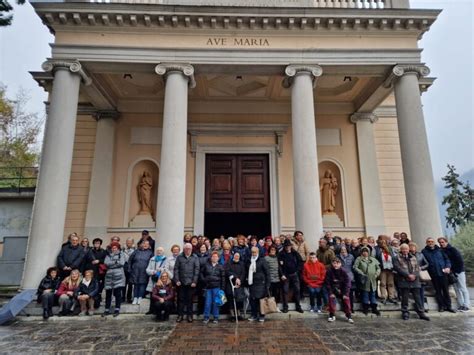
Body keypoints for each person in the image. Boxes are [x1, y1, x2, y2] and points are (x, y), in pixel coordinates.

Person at [393, 244, 430, 321]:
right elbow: (397, 268)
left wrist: (414, 275)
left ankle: (421, 312)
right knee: (405, 298)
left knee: (418, 297)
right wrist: (407, 275)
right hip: (404, 279)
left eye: (406, 249)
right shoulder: (396, 258)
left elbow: (417, 267)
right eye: (403, 249)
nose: (405, 250)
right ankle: (405, 312)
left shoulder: (413, 257)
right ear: (401, 250)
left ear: (408, 249)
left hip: (415, 280)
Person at [422, 237, 455, 313]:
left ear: (434, 242)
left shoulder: (440, 250)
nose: (430, 243)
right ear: (426, 243)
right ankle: (441, 306)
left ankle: (449, 306)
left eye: (432, 241)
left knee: (446, 291)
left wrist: (448, 267)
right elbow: (423, 262)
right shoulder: (424, 251)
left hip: (443, 273)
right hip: (433, 274)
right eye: (429, 241)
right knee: (438, 291)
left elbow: (447, 259)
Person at [438, 237, 470, 312]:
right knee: (456, 289)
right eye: (440, 242)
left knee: (462, 288)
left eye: (442, 242)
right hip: (451, 273)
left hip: (459, 271)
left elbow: (460, 261)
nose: (441, 244)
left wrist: (456, 271)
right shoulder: (441, 251)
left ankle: (466, 305)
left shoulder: (453, 249)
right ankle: (461, 304)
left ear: (446, 242)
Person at [174, 243, 200, 323]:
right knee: (180, 300)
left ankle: (190, 316)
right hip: (181, 283)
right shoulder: (179, 257)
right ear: (184, 249)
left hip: (191, 283)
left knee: (189, 300)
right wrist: (177, 280)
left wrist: (194, 281)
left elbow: (197, 270)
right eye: (186, 248)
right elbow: (176, 269)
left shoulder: (195, 257)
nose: (188, 250)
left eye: (189, 248)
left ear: (191, 249)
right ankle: (180, 315)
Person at [354, 246, 381, 316]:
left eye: (366, 251)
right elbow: (355, 267)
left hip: (373, 279)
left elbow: (378, 268)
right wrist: (361, 273)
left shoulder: (373, 259)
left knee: (373, 294)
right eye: (363, 251)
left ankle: (374, 308)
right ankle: (365, 308)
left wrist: (376, 274)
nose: (365, 253)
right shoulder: (359, 259)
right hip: (365, 279)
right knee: (365, 294)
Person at [278, 239, 304, 313]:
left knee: (297, 290)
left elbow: (300, 262)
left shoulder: (295, 253)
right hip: (285, 275)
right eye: (286, 246)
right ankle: (285, 307)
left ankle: (298, 306)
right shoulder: (281, 254)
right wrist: (282, 274)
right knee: (285, 291)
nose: (287, 247)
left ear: (290, 246)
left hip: (294, 274)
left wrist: (297, 271)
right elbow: (279, 266)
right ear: (284, 246)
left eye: (288, 246)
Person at [325, 258, 354, 323]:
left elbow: (347, 283)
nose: (336, 265)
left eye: (337, 263)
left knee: (346, 300)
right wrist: (331, 292)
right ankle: (332, 315)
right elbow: (327, 283)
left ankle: (349, 316)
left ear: (340, 264)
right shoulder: (329, 271)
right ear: (332, 264)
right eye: (334, 263)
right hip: (333, 289)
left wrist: (345, 293)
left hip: (342, 290)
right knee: (331, 298)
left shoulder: (344, 272)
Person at [201, 251, 225, 324]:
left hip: (217, 287)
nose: (214, 258)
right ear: (211, 258)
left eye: (216, 257)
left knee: (216, 303)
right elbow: (201, 273)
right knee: (207, 303)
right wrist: (204, 280)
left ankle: (216, 317)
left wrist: (222, 289)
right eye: (213, 256)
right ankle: (206, 317)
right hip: (208, 287)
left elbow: (223, 278)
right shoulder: (206, 265)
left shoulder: (221, 266)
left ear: (218, 258)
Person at [247, 246, 270, 322]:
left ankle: (261, 315)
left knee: (261, 300)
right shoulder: (249, 260)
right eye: (252, 252)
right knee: (252, 300)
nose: (253, 254)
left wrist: (267, 285)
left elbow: (267, 273)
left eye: (255, 252)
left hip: (261, 283)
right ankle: (254, 315)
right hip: (252, 283)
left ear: (258, 252)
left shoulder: (262, 260)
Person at [103, 241, 126, 317]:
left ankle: (117, 309)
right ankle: (107, 309)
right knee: (108, 294)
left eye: (115, 248)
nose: (114, 249)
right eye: (113, 248)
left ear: (118, 248)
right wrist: (115, 263)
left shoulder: (121, 254)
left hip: (119, 276)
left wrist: (111, 264)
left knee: (118, 294)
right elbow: (106, 263)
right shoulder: (108, 255)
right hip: (109, 276)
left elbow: (122, 263)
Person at [128, 239, 153, 305]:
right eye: (144, 244)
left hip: (144, 271)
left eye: (147, 244)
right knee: (136, 284)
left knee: (142, 284)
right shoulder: (136, 251)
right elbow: (130, 261)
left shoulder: (150, 252)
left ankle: (140, 297)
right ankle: (135, 297)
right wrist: (129, 269)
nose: (145, 245)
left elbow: (152, 263)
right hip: (135, 271)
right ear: (141, 244)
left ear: (149, 245)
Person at [85, 238, 107, 308]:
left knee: (99, 286)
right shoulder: (89, 251)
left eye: (98, 243)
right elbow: (85, 260)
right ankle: (90, 302)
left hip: (100, 272)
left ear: (100, 244)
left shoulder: (103, 251)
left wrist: (99, 261)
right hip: (91, 271)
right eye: (95, 243)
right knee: (91, 286)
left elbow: (106, 260)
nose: (97, 244)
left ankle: (97, 301)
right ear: (93, 244)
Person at [145, 247, 168, 314]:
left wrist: (160, 271)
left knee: (159, 295)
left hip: (161, 280)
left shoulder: (165, 259)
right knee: (152, 295)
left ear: (163, 252)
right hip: (153, 279)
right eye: (158, 250)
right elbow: (147, 270)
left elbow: (166, 269)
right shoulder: (152, 259)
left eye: (160, 250)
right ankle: (151, 310)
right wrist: (154, 272)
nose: (159, 252)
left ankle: (158, 310)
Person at [374, 239, 397, 304]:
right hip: (382, 269)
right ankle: (383, 296)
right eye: (382, 243)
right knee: (383, 283)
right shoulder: (378, 250)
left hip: (390, 269)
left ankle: (391, 297)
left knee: (391, 283)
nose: (383, 244)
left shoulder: (390, 249)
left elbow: (393, 257)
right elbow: (377, 258)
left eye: (384, 242)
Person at [225, 252, 247, 321]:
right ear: (233, 256)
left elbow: (244, 273)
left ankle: (239, 314)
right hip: (231, 283)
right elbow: (228, 272)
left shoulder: (242, 264)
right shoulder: (229, 263)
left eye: (238, 256)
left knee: (239, 299)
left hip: (239, 284)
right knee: (231, 299)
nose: (236, 257)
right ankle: (232, 315)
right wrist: (236, 278)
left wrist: (240, 280)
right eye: (235, 256)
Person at [408, 242, 429, 312]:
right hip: (412, 274)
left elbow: (427, 264)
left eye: (413, 246)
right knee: (415, 292)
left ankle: (422, 307)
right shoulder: (407, 255)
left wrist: (421, 267)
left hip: (420, 275)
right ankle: (418, 306)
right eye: (410, 246)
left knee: (421, 292)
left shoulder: (420, 254)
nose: (412, 248)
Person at [338, 246, 355, 311]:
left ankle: (351, 308)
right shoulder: (337, 257)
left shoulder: (351, 256)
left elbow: (353, 266)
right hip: (341, 277)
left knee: (350, 293)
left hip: (350, 277)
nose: (343, 251)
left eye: (344, 249)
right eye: (342, 250)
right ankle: (345, 307)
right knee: (343, 292)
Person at [122, 238, 136, 303]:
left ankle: (129, 298)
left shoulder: (135, 250)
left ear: (132, 243)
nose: (128, 244)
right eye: (127, 242)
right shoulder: (123, 250)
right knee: (123, 283)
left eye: (130, 243)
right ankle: (122, 297)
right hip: (124, 267)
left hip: (131, 268)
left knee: (130, 283)